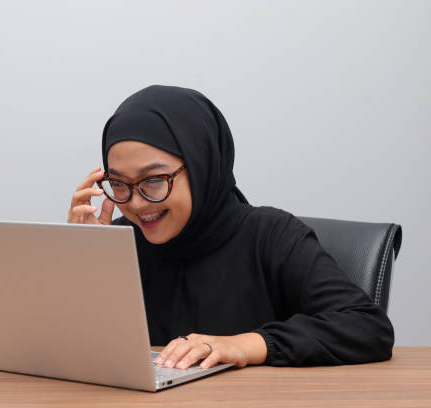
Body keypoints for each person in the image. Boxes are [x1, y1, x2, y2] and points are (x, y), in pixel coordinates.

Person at [67, 85, 394, 370]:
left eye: (154, 180)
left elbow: (368, 326)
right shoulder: (120, 242)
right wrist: (86, 262)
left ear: (202, 165)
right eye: (119, 184)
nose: (136, 203)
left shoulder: (270, 236)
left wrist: (246, 345)